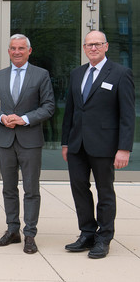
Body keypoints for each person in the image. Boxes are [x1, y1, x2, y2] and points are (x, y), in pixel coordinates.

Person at [61, 30, 135, 259]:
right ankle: (87, 233)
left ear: (106, 46)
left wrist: (124, 148)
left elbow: (127, 115)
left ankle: (104, 237)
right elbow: (70, 112)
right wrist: (65, 143)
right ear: (84, 48)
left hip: (105, 145)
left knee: (105, 192)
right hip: (77, 146)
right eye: (89, 44)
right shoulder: (77, 74)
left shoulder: (121, 74)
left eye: (97, 44)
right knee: (79, 190)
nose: (93, 48)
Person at [0, 34, 55, 254]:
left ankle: (30, 234)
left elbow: (49, 106)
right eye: (13, 48)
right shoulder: (0, 75)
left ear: (29, 51)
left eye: (21, 48)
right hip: (6, 140)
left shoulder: (41, 75)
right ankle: (12, 230)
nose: (17, 51)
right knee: (8, 188)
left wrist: (24, 119)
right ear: (8, 51)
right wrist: (1, 117)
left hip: (30, 140)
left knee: (31, 189)